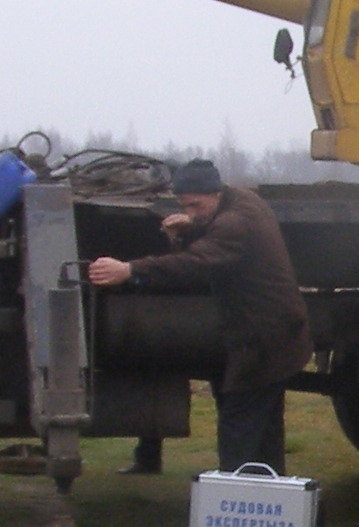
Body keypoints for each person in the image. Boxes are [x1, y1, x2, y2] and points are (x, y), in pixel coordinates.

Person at [85, 161, 313, 475]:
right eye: (184, 205)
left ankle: (234, 502)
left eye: (196, 204)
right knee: (264, 430)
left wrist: (129, 270)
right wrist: (192, 228)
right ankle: (266, 499)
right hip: (275, 333)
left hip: (263, 339)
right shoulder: (243, 201)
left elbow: (197, 262)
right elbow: (212, 239)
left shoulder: (235, 222)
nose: (191, 211)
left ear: (216, 193)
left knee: (239, 428)